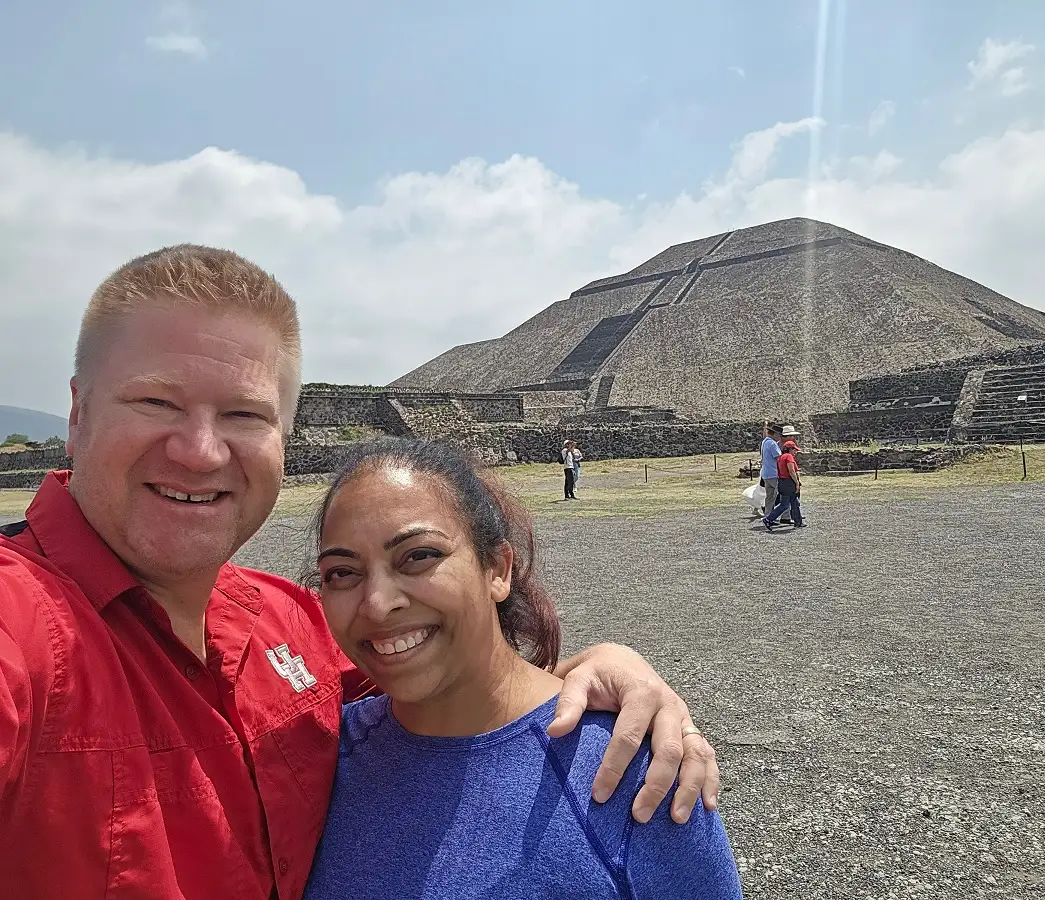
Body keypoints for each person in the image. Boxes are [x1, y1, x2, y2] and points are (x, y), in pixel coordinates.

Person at [0, 245, 719, 900]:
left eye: (245, 415)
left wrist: (600, 668)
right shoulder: (21, 623)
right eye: (156, 401)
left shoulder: (291, 624)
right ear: (77, 413)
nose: (200, 451)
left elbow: (456, 680)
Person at [303, 439, 743, 899]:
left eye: (419, 556)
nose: (377, 605)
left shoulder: (631, 772)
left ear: (498, 569)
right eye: (342, 573)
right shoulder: (310, 761)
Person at [763, 438, 806, 530]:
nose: (795, 452)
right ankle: (769, 519)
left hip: (782, 481)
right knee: (787, 504)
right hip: (789, 482)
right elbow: (791, 471)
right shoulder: (789, 457)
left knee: (792, 503)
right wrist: (797, 483)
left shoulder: (781, 457)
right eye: (794, 450)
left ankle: (798, 521)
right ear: (790, 449)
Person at [759, 422, 782, 519]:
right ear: (775, 434)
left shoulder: (765, 442)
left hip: (766, 473)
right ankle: (778, 516)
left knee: (769, 497)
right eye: (779, 435)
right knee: (780, 495)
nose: (780, 437)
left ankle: (768, 515)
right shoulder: (772, 443)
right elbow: (778, 458)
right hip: (773, 473)